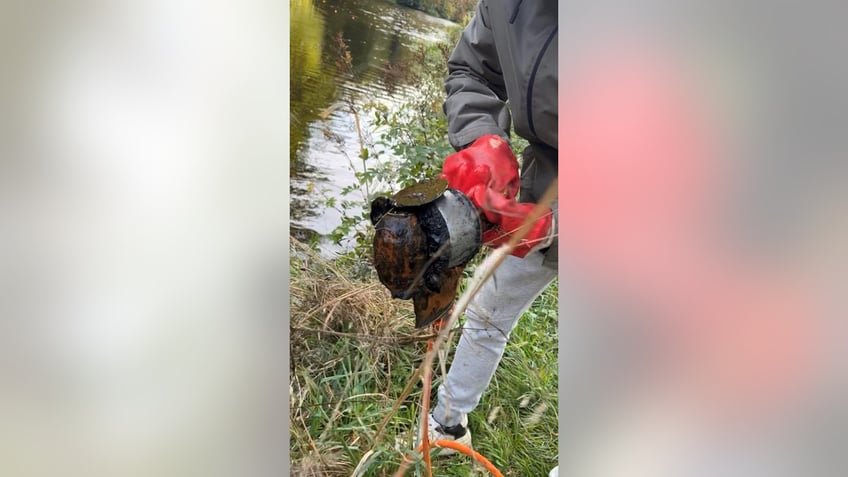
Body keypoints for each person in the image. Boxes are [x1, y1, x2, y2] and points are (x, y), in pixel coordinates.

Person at [422, 0, 560, 463]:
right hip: (545, 184)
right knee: (487, 312)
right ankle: (447, 425)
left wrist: (558, 227)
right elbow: (471, 70)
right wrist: (484, 138)